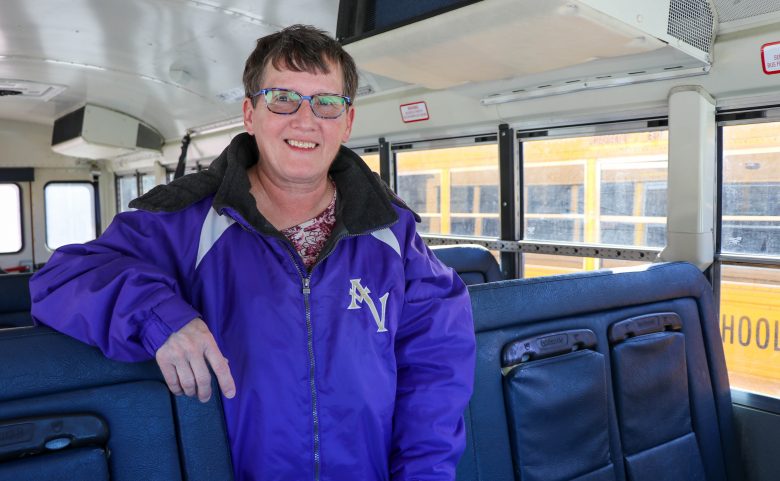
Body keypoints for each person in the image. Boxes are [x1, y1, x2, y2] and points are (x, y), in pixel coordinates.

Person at [30, 24, 475, 481]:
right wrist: (158, 318)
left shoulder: (392, 232)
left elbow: (436, 371)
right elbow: (60, 279)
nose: (305, 121)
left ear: (347, 121)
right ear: (250, 113)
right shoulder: (186, 220)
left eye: (326, 103)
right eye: (283, 98)